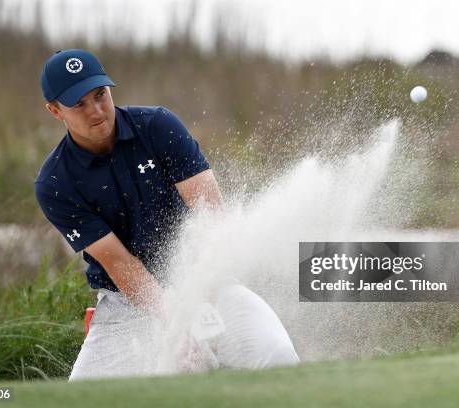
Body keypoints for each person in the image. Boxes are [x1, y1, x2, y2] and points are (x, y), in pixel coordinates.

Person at [34, 49, 299, 381]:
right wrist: (179, 323)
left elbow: (212, 217)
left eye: (100, 95)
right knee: (82, 397)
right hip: (126, 306)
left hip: (206, 280)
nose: (97, 110)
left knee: (277, 356)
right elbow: (122, 265)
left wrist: (198, 301)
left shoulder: (157, 126)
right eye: (79, 104)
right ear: (55, 110)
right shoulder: (55, 183)